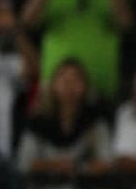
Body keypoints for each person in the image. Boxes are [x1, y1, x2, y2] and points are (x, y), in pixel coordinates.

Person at [17, 59, 113, 189]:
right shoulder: (37, 123)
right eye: (63, 78)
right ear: (53, 85)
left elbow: (106, 163)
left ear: (85, 86)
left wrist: (77, 167)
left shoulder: (95, 122)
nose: (69, 84)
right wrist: (54, 165)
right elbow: (24, 163)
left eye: (76, 79)